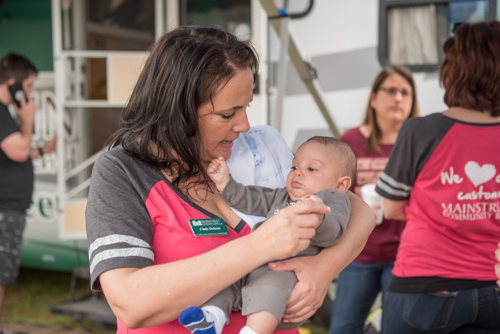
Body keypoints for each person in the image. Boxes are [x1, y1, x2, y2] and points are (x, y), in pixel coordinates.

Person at [85, 26, 376, 334]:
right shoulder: (123, 172)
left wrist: (321, 270)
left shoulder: (257, 149)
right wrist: (261, 245)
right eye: (227, 114)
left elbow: (360, 211)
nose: (244, 125)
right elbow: (131, 303)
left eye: (246, 106)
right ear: (177, 110)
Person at [375, 21, 500, 333]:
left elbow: (390, 208)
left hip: (424, 285)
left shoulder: (421, 131)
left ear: (455, 70)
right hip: (493, 286)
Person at [180, 136, 356, 334]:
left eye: (311, 169)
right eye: (294, 166)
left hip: (286, 272)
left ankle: (254, 331)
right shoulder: (282, 196)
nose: (298, 172)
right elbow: (251, 198)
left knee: (269, 288)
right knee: (226, 279)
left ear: (341, 185)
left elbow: (335, 231)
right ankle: (212, 318)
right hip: (256, 262)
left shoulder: (332, 199)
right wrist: (225, 183)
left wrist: (319, 218)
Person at [329, 66, 419, 334]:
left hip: (403, 256)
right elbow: (334, 195)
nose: (398, 98)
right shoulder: (351, 141)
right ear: (373, 98)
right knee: (344, 328)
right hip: (358, 253)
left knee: (398, 329)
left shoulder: (418, 142)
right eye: (391, 90)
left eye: (405, 92)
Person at [0, 53, 56, 334]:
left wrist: (43, 150)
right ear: (13, 82)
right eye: (29, 86)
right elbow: (18, 150)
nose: (30, 92)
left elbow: (13, 153)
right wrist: (29, 118)